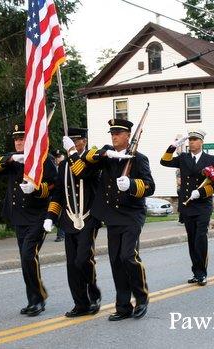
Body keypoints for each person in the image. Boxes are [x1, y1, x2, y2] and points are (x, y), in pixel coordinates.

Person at [74, 119, 155, 321]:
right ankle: (123, 306)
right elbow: (88, 159)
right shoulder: (108, 157)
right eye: (112, 133)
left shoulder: (139, 159)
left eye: (118, 133)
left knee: (128, 256)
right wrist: (107, 152)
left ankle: (142, 298)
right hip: (112, 216)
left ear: (128, 136)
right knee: (116, 261)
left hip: (131, 215)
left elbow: (149, 186)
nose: (114, 136)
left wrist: (132, 184)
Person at [0, 123, 57, 316]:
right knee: (25, 259)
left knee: (29, 255)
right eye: (16, 139)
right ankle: (33, 300)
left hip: (38, 216)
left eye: (22, 139)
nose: (18, 142)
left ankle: (39, 297)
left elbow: (55, 184)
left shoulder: (43, 159)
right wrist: (11, 158)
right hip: (19, 217)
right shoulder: (13, 159)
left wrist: (37, 188)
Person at [43, 128, 102, 317]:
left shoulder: (92, 160)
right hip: (69, 219)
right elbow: (58, 193)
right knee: (72, 265)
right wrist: (50, 217)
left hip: (88, 218)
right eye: (70, 141)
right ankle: (80, 303)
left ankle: (94, 294)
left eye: (75, 141)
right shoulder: (64, 166)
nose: (72, 144)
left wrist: (71, 153)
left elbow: (83, 173)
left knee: (83, 259)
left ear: (83, 141)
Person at [160, 129, 214, 286]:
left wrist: (200, 192)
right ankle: (196, 272)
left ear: (201, 142)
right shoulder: (183, 158)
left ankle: (202, 273)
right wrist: (172, 147)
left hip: (202, 205)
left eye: (194, 139)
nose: (191, 142)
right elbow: (164, 161)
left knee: (201, 238)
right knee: (192, 239)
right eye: (190, 139)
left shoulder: (210, 159)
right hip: (187, 205)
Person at [52, 149, 66, 242]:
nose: (58, 159)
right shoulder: (53, 167)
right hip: (53, 194)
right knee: (55, 216)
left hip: (62, 194)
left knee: (61, 215)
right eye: (56, 157)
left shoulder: (64, 166)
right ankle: (62, 231)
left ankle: (60, 235)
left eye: (59, 156)